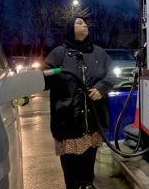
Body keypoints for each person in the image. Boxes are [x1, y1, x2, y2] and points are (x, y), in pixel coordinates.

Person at [44, 17, 115, 189]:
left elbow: (112, 74)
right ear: (70, 29)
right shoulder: (58, 54)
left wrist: (102, 88)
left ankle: (88, 183)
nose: (84, 24)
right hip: (67, 121)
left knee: (89, 160)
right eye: (79, 23)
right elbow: (43, 79)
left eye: (85, 23)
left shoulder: (99, 53)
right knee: (70, 166)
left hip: (92, 119)